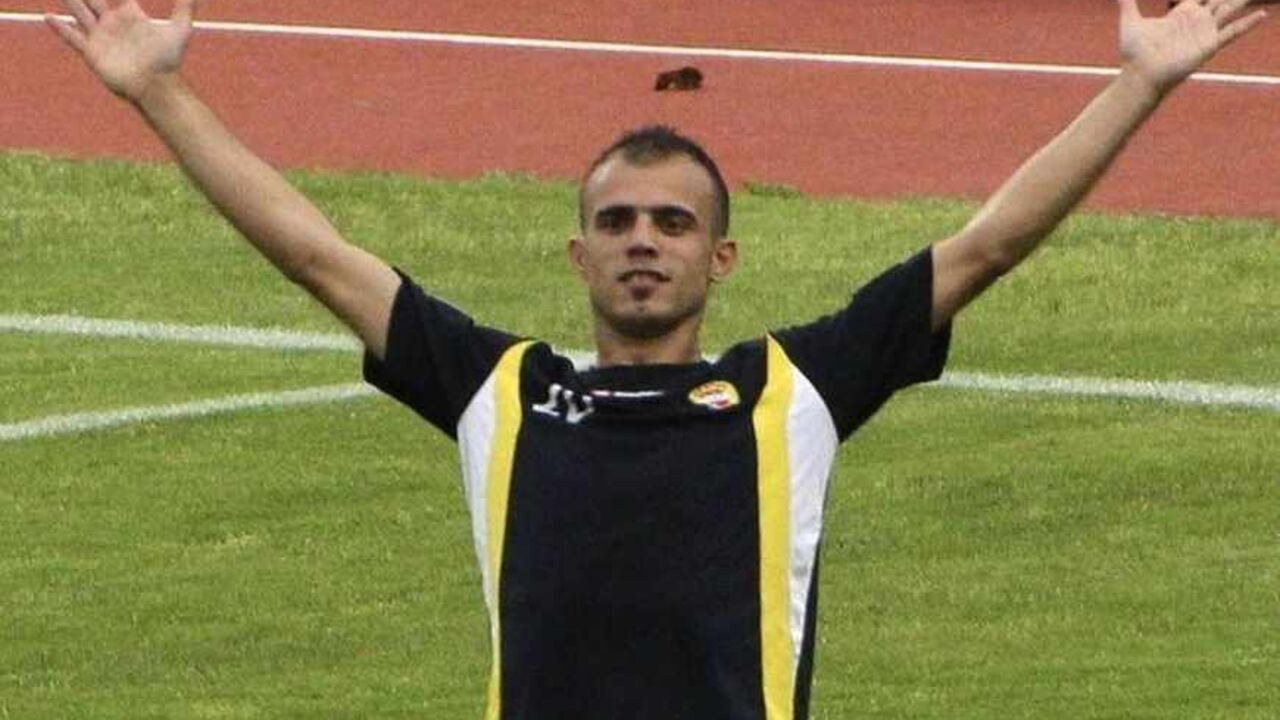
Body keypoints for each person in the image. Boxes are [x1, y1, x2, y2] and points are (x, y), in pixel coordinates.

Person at [46, 0, 1267, 717]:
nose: (643, 242)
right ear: (577, 253)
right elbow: (315, 256)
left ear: (718, 258)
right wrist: (157, 96)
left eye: (672, 223)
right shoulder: (502, 391)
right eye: (619, 222)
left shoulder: (792, 389)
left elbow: (988, 243)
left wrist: (1138, 85)